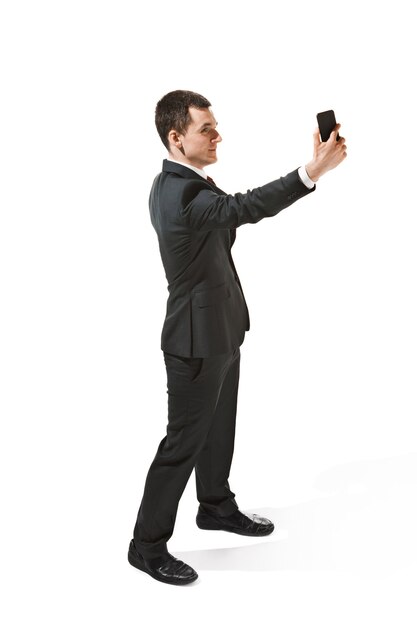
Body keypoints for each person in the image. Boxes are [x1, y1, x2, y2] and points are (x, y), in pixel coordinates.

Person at [128, 90, 347, 585]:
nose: (217, 135)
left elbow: (221, 223)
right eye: (207, 129)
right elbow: (244, 208)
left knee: (218, 428)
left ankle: (216, 506)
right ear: (176, 137)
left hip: (222, 329)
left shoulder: (183, 182)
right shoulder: (183, 193)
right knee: (182, 442)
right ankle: (145, 545)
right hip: (194, 342)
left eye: (214, 125)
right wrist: (311, 172)